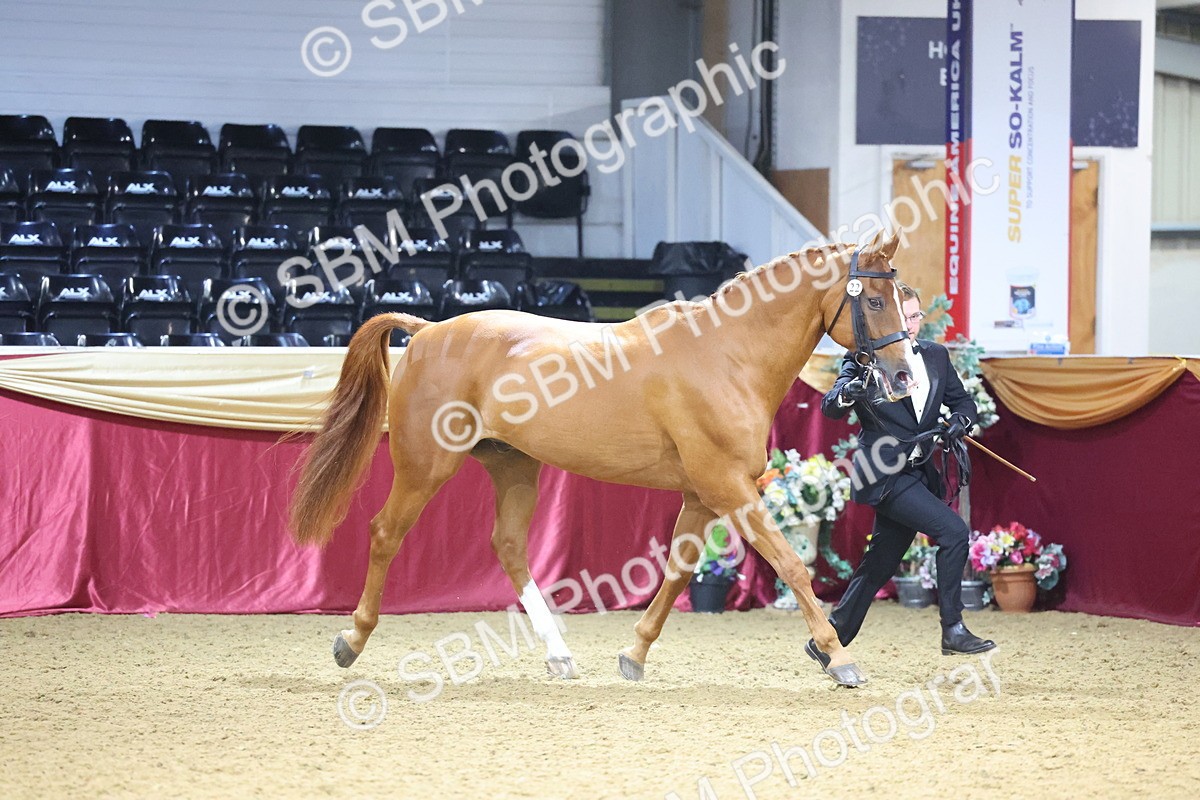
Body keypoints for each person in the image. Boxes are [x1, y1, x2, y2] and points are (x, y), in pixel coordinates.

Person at [807, 282, 995, 676]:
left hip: (918, 472)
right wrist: (849, 392)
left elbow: (963, 403)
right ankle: (953, 629)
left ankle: (831, 634)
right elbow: (831, 406)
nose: (909, 325)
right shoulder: (862, 360)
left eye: (914, 317)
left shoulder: (937, 356)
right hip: (885, 474)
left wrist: (959, 423)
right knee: (953, 533)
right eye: (902, 317)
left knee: (881, 562)